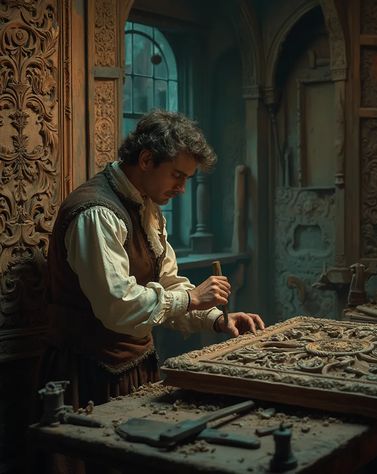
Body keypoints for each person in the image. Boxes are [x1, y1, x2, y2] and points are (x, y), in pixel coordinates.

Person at [39, 109, 264, 409]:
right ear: (146, 160)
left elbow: (167, 284)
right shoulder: (97, 214)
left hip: (134, 366)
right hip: (86, 373)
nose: (182, 189)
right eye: (177, 176)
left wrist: (217, 320)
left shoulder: (147, 205)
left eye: (187, 179)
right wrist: (193, 298)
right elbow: (118, 305)